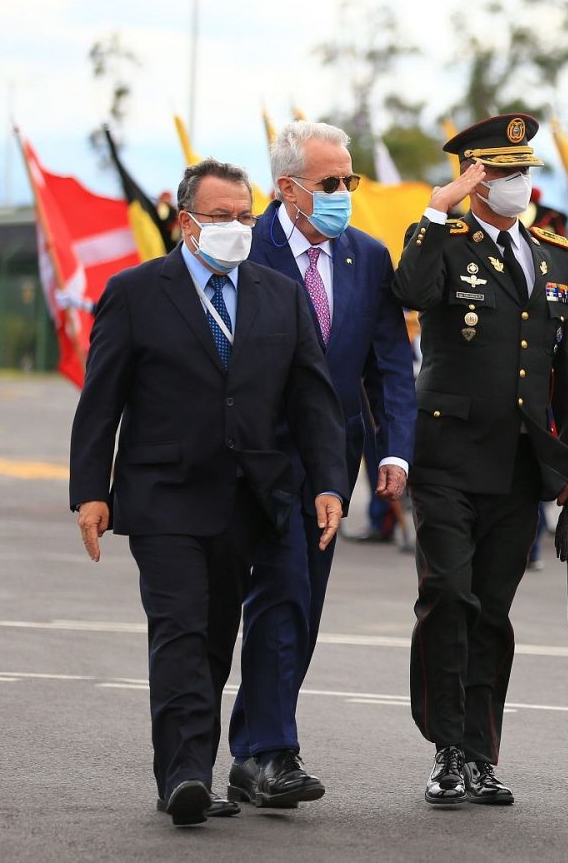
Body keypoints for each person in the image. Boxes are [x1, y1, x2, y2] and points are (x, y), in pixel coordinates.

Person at [69, 159, 346, 826]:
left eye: (245, 216)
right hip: (162, 494)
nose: (236, 228)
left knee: (217, 634)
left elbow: (312, 397)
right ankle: (185, 776)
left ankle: (198, 761)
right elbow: (101, 399)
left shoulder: (279, 294)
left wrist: (330, 483)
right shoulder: (136, 292)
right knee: (181, 630)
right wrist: (89, 491)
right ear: (186, 222)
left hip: (247, 497)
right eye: (221, 217)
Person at [393, 113, 568, 805]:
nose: (518, 185)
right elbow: (411, 293)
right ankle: (446, 744)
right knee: (449, 595)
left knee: (493, 611)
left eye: (523, 173)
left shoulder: (552, 254)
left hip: (518, 462)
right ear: (475, 178)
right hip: (448, 455)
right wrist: (434, 207)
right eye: (503, 174)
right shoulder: (443, 242)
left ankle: (479, 752)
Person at [226, 121, 417, 808]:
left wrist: (396, 447)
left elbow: (391, 362)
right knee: (281, 592)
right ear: (286, 188)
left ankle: (253, 747)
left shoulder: (366, 256)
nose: (343, 193)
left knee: (303, 603)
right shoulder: (246, 250)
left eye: (349, 180)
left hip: (335, 458)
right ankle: (274, 750)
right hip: (260, 455)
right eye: (330, 183)